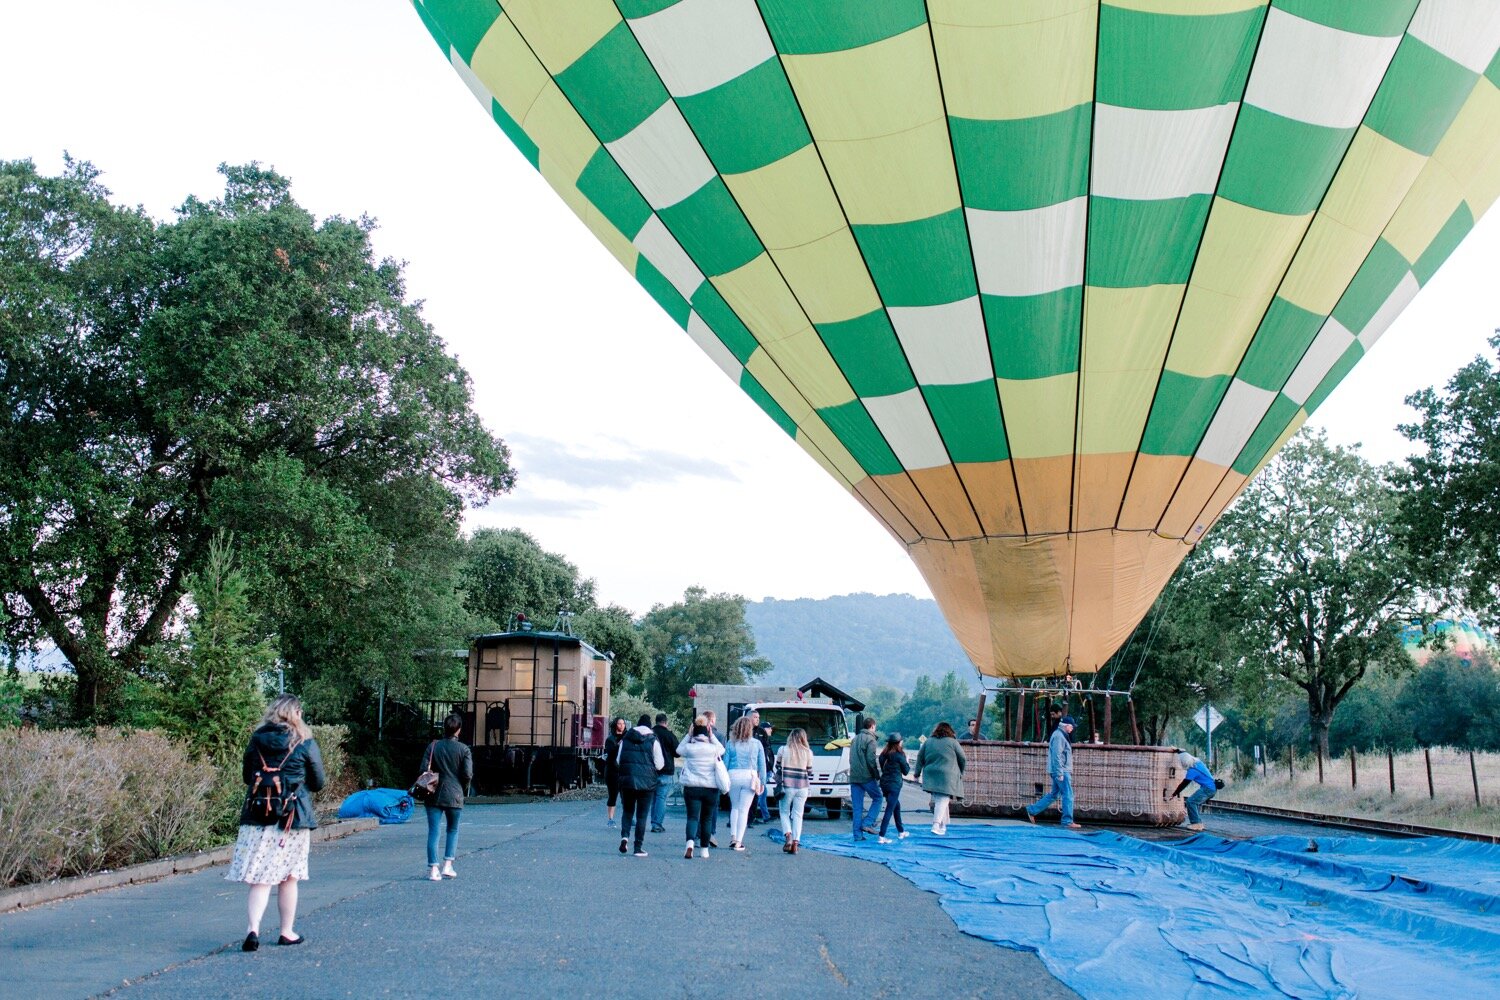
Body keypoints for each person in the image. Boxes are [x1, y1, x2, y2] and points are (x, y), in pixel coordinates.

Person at [227, 694, 326, 952]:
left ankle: (252, 930)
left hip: (258, 815)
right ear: (297, 714)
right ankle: (286, 932)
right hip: (291, 817)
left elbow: (248, 776)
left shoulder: (257, 740)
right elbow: (318, 782)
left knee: (261, 878)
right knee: (288, 877)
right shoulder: (304, 742)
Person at [423, 712, 474, 882]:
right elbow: (467, 774)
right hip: (455, 794)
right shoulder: (464, 749)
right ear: (458, 730)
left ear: (444, 728)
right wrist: (462, 787)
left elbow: (423, 768)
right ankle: (447, 866)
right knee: (452, 830)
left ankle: (433, 869)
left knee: (434, 831)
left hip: (433, 794)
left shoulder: (433, 746)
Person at [615, 714, 663, 857]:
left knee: (628, 811)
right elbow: (660, 765)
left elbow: (618, 760)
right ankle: (638, 847)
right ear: (649, 726)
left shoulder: (626, 739)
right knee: (641, 816)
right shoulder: (653, 740)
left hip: (627, 781)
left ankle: (624, 837)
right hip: (646, 784)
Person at [1026, 715, 1081, 829]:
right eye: (1071, 727)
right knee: (1068, 795)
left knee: (1054, 794)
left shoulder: (1059, 735)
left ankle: (1032, 810)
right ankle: (1067, 821)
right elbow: (1057, 756)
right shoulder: (1059, 737)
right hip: (1062, 770)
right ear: (1066, 726)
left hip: (1059, 769)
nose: (1072, 729)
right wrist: (1059, 772)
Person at [678, 717, 720, 858]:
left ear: (694, 732)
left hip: (692, 786)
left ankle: (690, 844)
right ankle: (704, 850)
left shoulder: (689, 748)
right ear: (707, 732)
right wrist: (712, 735)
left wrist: (688, 735)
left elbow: (678, 749)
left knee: (692, 817)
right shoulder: (713, 748)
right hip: (710, 787)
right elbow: (723, 749)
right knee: (706, 819)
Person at [914, 722, 966, 835]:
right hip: (948, 776)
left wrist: (916, 774)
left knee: (940, 799)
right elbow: (962, 758)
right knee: (942, 800)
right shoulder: (953, 742)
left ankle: (943, 826)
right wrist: (960, 771)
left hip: (931, 774)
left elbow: (920, 758)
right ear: (950, 731)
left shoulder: (928, 742)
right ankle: (936, 825)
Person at [723, 715, 765, 852]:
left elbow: (725, 763)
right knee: (744, 810)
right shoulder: (756, 744)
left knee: (734, 807)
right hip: (750, 776)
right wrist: (763, 781)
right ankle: (739, 842)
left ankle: (733, 837)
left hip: (733, 775)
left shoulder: (730, 743)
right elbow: (761, 765)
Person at [775, 728, 813, 854]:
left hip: (787, 786)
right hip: (803, 787)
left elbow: (778, 766)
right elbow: (810, 771)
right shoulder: (808, 752)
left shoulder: (783, 750)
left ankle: (788, 836)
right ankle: (796, 843)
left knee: (784, 812)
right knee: (798, 815)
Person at [1172, 749, 1221, 831]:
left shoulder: (1192, 770)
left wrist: (1174, 793)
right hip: (1212, 788)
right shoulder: (1198, 763)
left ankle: (1196, 823)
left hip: (1208, 788)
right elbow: (1184, 753)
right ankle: (1198, 822)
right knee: (1195, 802)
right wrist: (1178, 750)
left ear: (1184, 762)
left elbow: (1184, 784)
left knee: (1191, 802)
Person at [850, 716, 882, 841]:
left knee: (857, 807)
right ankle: (867, 823)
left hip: (854, 776)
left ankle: (857, 836)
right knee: (878, 798)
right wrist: (876, 775)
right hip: (866, 777)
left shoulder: (855, 739)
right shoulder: (871, 740)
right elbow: (871, 760)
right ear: (873, 726)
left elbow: (851, 758)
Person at [877, 733, 910, 843]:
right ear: (899, 742)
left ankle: (901, 831)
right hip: (894, 785)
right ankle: (881, 836)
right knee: (889, 809)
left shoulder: (883, 755)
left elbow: (883, 768)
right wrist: (907, 761)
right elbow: (906, 772)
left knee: (896, 806)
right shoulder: (900, 755)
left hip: (884, 784)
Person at [649, 713, 679, 833]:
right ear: (666, 722)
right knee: (661, 798)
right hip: (666, 770)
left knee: (653, 799)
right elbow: (678, 752)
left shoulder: (650, 734)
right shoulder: (669, 735)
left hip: (651, 771)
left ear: (656, 721)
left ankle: (653, 821)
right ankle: (656, 824)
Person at [603, 716, 627, 828]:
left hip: (624, 770)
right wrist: (618, 745)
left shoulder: (627, 738)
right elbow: (610, 752)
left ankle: (627, 818)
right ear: (615, 725)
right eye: (619, 723)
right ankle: (610, 819)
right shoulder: (610, 739)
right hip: (612, 770)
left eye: (623, 723)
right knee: (612, 795)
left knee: (625, 796)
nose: (621, 725)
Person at [752, 719, 773, 825]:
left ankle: (765, 815)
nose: (771, 730)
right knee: (761, 793)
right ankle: (763, 815)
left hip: (766, 770)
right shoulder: (760, 741)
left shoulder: (765, 740)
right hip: (762, 770)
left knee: (762, 793)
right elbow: (764, 758)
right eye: (769, 728)